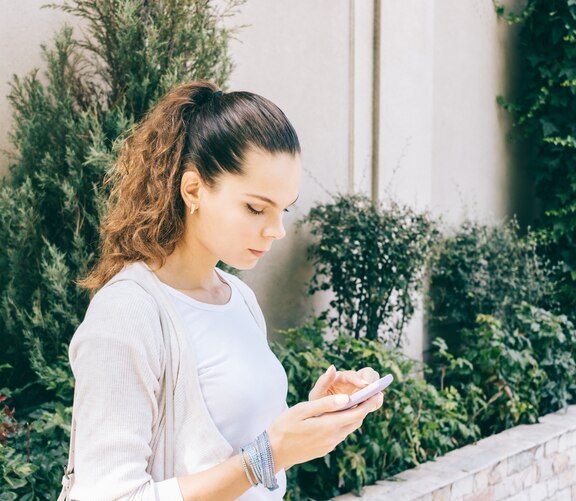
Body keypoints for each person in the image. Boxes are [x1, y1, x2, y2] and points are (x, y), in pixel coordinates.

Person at [64, 80, 385, 500]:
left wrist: (316, 416)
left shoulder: (240, 299)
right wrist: (267, 456)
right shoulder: (127, 313)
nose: (277, 230)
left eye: (282, 209)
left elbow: (240, 444)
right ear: (193, 189)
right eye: (255, 208)